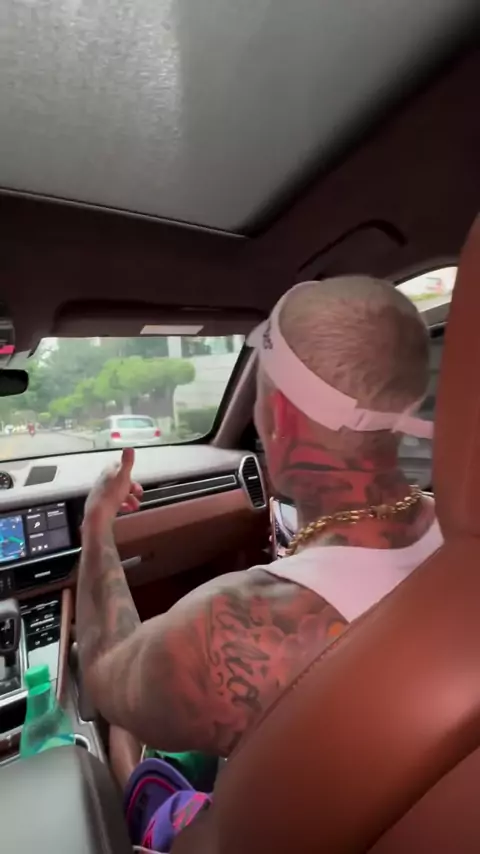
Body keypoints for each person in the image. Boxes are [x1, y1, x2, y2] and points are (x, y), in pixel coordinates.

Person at [76, 276, 442, 849]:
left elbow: (103, 668)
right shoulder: (462, 540)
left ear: (281, 418)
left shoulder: (232, 629)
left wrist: (97, 524)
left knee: (122, 734)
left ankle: (137, 784)